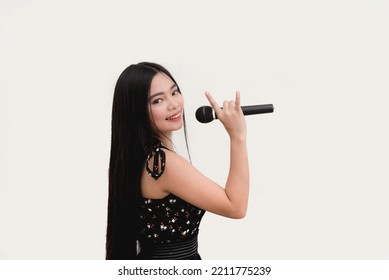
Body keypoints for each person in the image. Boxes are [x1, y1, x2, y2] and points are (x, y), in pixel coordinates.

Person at [106, 62, 249, 260]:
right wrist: (237, 136)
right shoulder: (163, 164)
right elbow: (236, 206)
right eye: (157, 101)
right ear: (136, 111)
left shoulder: (141, 157)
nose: (174, 104)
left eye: (174, 92)